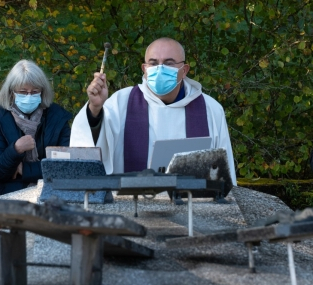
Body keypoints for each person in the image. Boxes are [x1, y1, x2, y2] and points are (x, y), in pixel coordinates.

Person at [70, 37, 237, 185]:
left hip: (193, 209)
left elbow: (224, 164)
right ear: (144, 69)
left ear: (184, 70)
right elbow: (91, 146)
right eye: (153, 63)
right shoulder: (121, 102)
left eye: (169, 63)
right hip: (130, 208)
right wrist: (95, 108)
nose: (160, 69)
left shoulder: (210, 109)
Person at [0, 60, 72, 195]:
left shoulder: (57, 117)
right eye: (23, 92)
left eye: (34, 91)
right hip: (11, 197)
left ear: (42, 92)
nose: (29, 96)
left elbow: (66, 166)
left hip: (54, 194)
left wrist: (25, 170)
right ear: (12, 92)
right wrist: (15, 149)